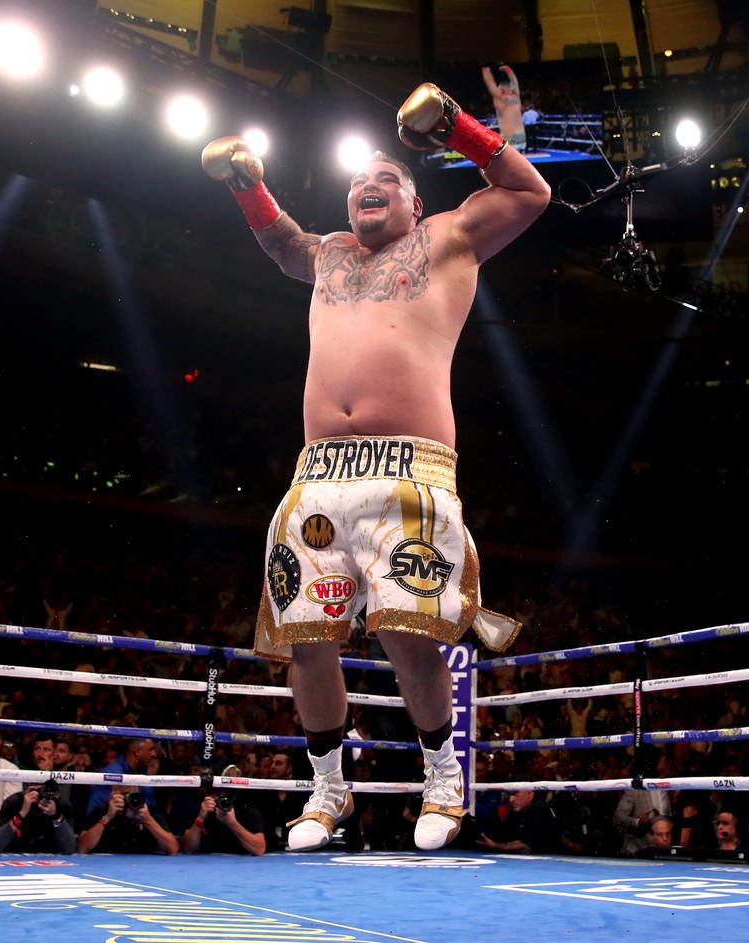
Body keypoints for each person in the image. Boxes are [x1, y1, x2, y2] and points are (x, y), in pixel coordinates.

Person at [201, 78, 550, 853]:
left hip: (410, 474)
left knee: (408, 636)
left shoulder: (449, 238)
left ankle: (443, 779)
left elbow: (530, 193)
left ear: (416, 204)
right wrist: (247, 186)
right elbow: (280, 243)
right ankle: (330, 789)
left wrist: (458, 127)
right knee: (307, 638)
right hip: (318, 476)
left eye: (387, 178)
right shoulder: (328, 254)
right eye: (360, 180)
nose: (369, 185)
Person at [181, 767, 268, 856]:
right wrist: (200, 819)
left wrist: (232, 823)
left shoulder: (245, 808)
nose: (218, 800)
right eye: (214, 796)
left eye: (221, 795)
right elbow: (188, 849)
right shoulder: (203, 808)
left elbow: (259, 849)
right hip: (209, 860)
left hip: (241, 859)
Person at [77, 785, 178, 855]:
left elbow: (173, 848)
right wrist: (107, 818)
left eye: (129, 794)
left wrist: (148, 820)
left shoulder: (147, 812)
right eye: (122, 793)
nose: (126, 798)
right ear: (111, 795)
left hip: (143, 866)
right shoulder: (102, 811)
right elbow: (82, 848)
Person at [0, 779, 76, 855]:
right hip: (14, 856)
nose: (42, 794)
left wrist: (56, 816)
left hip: (50, 860)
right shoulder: (15, 802)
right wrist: (22, 813)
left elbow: (69, 849)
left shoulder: (61, 805)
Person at [85, 736, 157, 815]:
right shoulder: (112, 773)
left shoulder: (143, 772)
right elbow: (94, 812)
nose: (154, 754)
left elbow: (152, 808)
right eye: (151, 749)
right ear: (138, 751)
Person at [476, 788, 560, 854]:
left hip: (551, 859)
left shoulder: (539, 808)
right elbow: (505, 836)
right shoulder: (516, 812)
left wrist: (495, 845)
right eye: (510, 794)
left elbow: (522, 845)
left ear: (529, 794)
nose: (511, 799)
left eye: (516, 794)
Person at [481, 64, 527, 152]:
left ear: (501, 89)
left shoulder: (500, 98)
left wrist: (485, 68)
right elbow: (515, 82)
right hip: (521, 135)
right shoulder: (516, 96)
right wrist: (509, 71)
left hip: (509, 135)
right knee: (521, 158)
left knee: (509, 158)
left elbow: (489, 83)